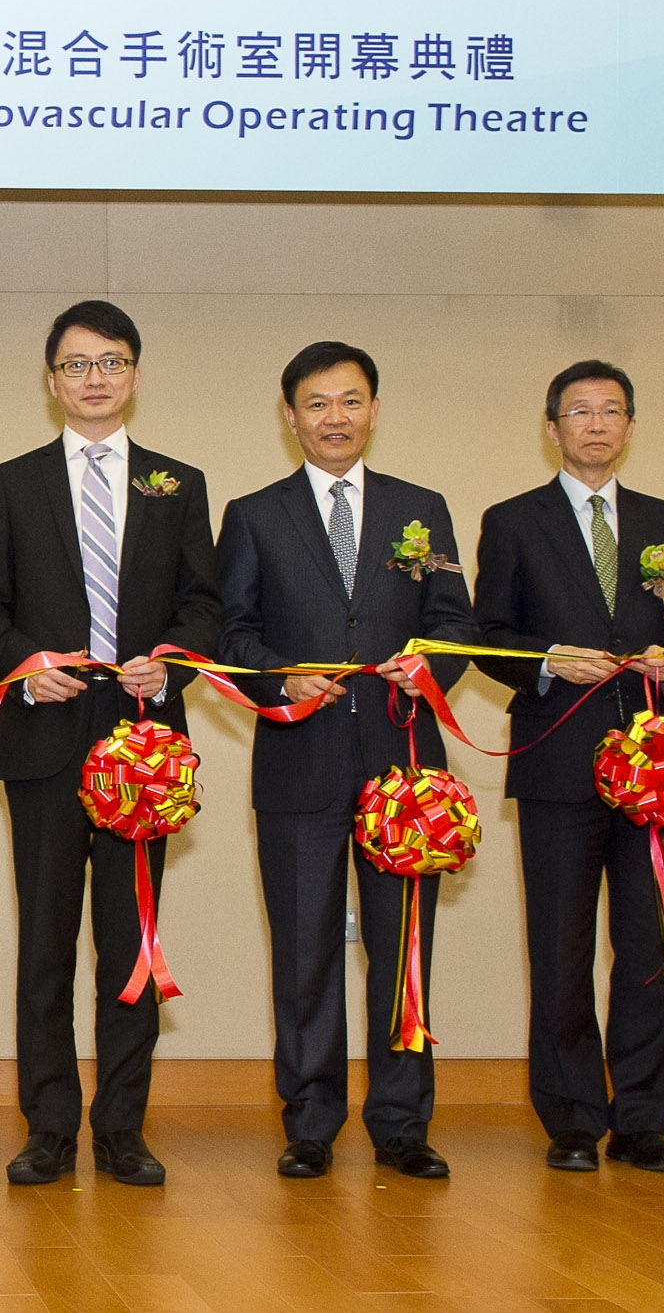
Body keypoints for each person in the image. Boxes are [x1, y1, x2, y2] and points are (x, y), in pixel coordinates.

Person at [0, 300, 221, 1188]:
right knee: (44, 944)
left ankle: (122, 1130)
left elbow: (203, 605)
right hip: (42, 736)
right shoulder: (13, 479)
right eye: (75, 365)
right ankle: (49, 1128)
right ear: (51, 381)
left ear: (135, 374)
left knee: (130, 943)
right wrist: (21, 665)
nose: (93, 378)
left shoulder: (176, 482)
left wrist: (172, 666)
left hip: (142, 747)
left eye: (109, 362)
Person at [216, 341, 478, 1181]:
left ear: (373, 409)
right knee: (303, 950)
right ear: (289, 416)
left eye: (351, 401)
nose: (335, 418)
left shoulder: (420, 508)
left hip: (402, 761)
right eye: (317, 404)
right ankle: (311, 1119)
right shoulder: (254, 514)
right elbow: (230, 635)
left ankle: (401, 1121)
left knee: (403, 947)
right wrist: (279, 676)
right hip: (298, 760)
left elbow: (455, 623)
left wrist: (426, 667)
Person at [471, 359, 664, 1175]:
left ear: (630, 427)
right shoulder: (512, 521)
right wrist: (546, 660)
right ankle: (572, 1118)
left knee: (653, 945)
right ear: (552, 429)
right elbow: (488, 635)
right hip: (557, 760)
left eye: (611, 411)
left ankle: (644, 1118)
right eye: (578, 412)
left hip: (657, 763)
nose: (596, 425)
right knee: (560, 944)